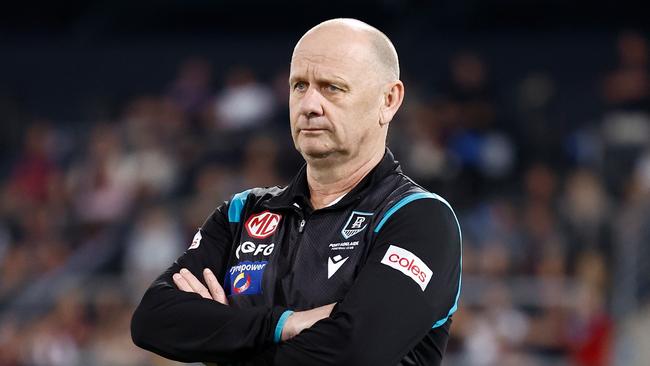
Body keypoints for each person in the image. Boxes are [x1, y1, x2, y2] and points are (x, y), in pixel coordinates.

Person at [131, 18, 462, 366]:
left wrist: (223, 334)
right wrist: (282, 324)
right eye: (299, 86)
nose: (309, 105)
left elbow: (352, 353)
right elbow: (152, 319)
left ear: (389, 100)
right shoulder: (242, 212)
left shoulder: (420, 219)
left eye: (332, 87)